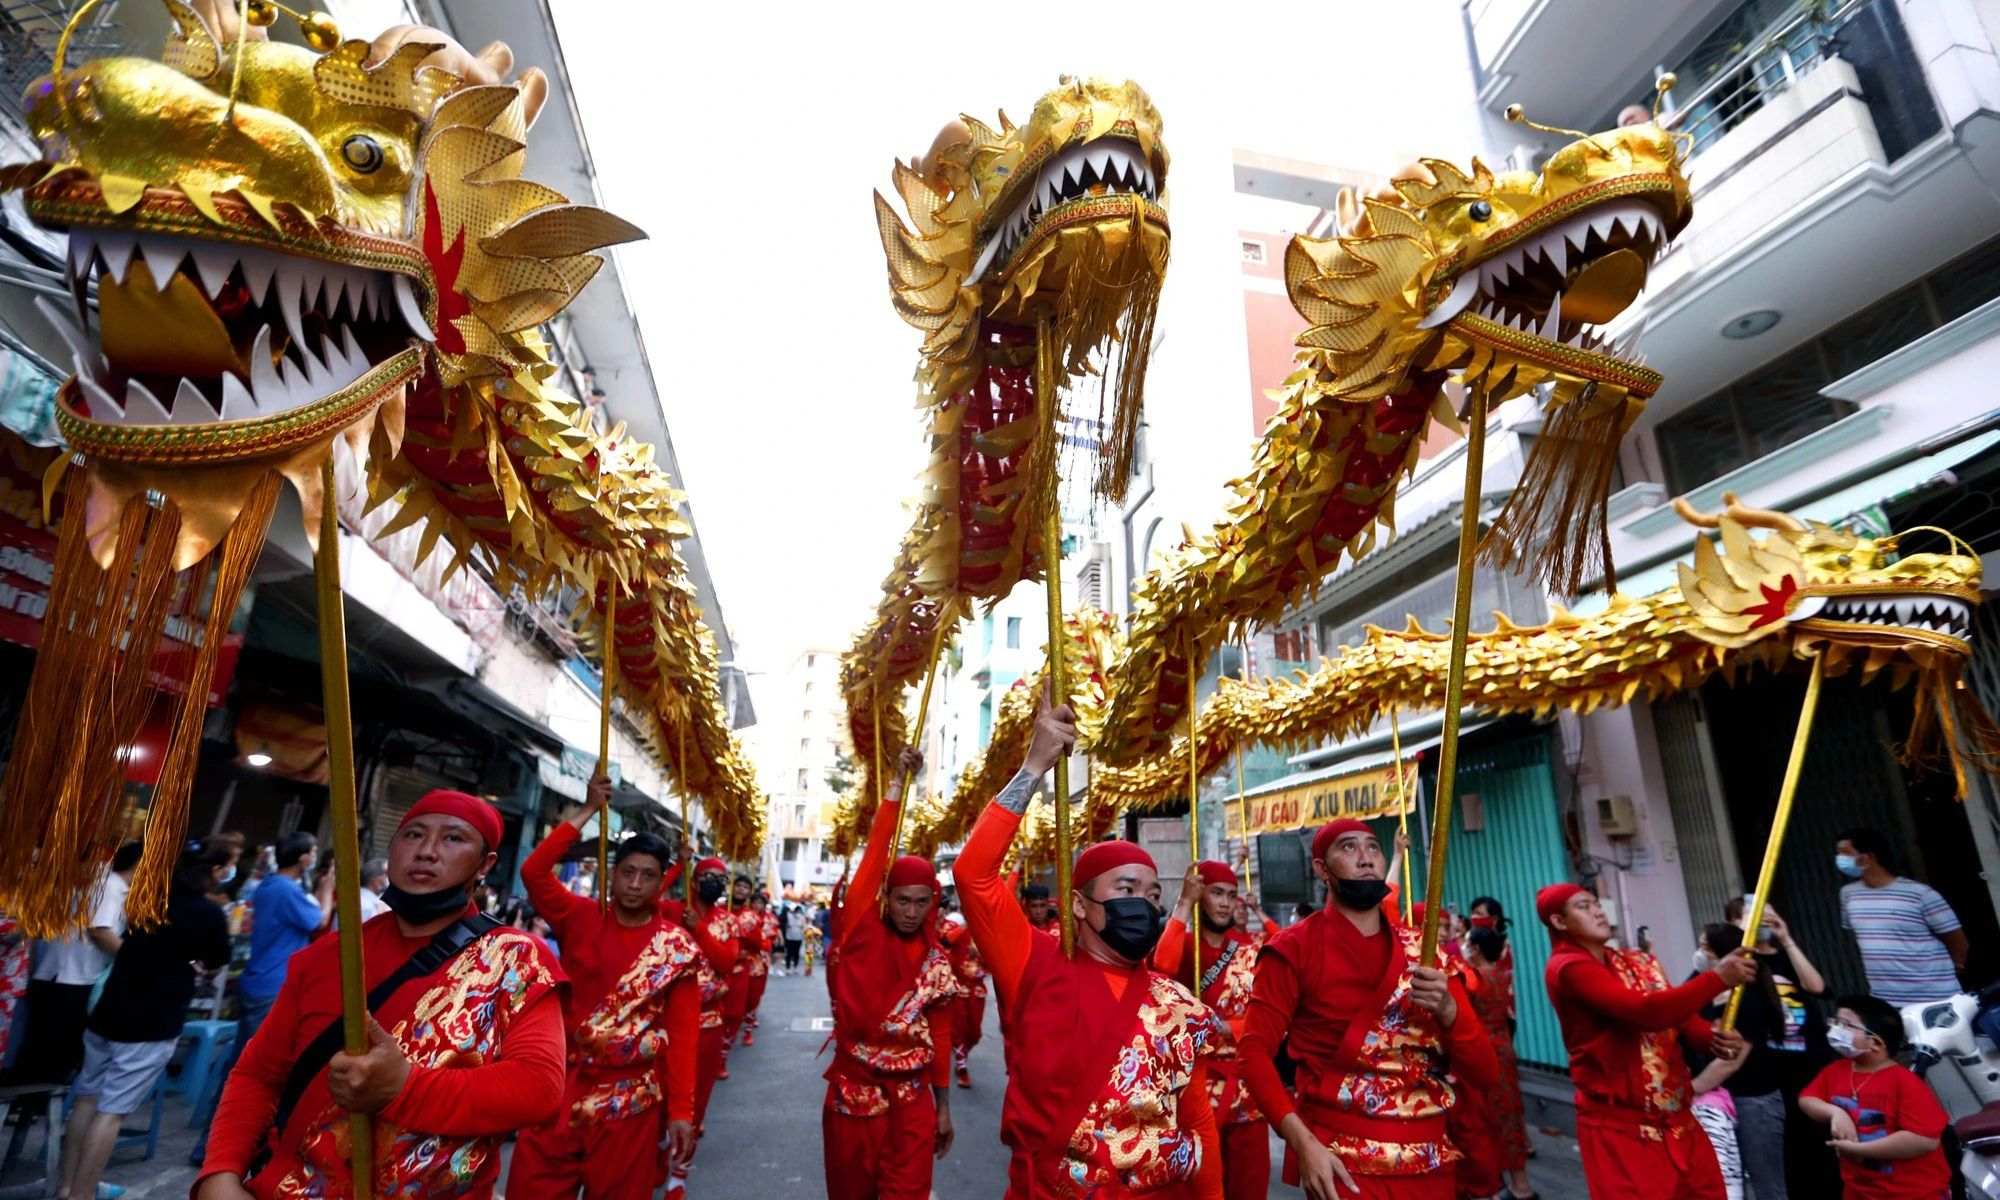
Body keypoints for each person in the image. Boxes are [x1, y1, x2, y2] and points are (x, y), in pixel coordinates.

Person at [194, 791, 567, 1200]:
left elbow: (539, 1087)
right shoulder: (328, 956)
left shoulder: (514, 959)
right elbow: (258, 1075)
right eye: (413, 835)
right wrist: (220, 1173)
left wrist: (404, 1088)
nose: (426, 851)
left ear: (485, 865)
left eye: (453, 838)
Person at [957, 695, 1226, 1197]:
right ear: (1079, 906)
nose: (1142, 903)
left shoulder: (1178, 1005)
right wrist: (1033, 768)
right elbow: (973, 875)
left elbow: (1198, 1126)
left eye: (1152, 894)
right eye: (1125, 889)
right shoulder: (1036, 965)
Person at [1240, 819, 1498, 1200]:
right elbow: (1252, 1053)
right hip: (1341, 1163)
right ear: (1321, 868)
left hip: (1430, 1161)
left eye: (1373, 847)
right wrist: (1302, 1142)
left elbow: (1486, 1073)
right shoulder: (1292, 948)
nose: (1365, 858)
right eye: (1348, 847)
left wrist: (1449, 1012)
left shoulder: (1427, 954)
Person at [507, 777, 700, 1200]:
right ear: (613, 875)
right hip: (559, 1089)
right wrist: (589, 809)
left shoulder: (676, 948)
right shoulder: (578, 916)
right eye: (628, 872)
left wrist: (681, 1111)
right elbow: (533, 871)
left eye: (648, 876)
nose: (635, 884)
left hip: (629, 1105)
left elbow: (684, 1035)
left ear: (661, 883)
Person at [1539, 882, 1757, 1199]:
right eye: (1583, 907)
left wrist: (1710, 1037)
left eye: (1596, 903)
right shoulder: (1568, 967)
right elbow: (1644, 1012)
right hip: (1623, 1129)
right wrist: (1716, 979)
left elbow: (1677, 1015)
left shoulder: (1637, 962)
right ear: (1559, 921)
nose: (1598, 911)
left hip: (1679, 1120)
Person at [822, 746, 959, 1200]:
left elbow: (942, 1037)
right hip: (853, 1100)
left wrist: (942, 1107)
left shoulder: (936, 963)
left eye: (922, 902)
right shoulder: (860, 933)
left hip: (912, 1106)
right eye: (902, 900)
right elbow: (876, 852)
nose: (911, 911)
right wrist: (899, 784)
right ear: (885, 898)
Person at [62, 842, 231, 1200]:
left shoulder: (143, 902)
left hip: (109, 1009)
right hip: (153, 1020)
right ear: (210, 873)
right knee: (112, 1112)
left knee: (86, 1100)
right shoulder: (208, 914)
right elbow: (217, 959)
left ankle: (66, 1187)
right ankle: (82, 1194)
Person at [1154, 860, 1268, 1200]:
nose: (1225, 903)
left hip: (1246, 1091)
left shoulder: (1252, 948)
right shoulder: (1186, 945)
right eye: (1216, 893)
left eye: (1231, 895)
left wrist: (1230, 1027)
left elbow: (1271, 1016)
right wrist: (1184, 903)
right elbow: (1161, 967)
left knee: (1250, 1190)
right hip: (1195, 1091)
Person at [1704, 900, 1827, 1200]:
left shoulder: (1781, 959)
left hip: (1805, 1069)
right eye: (1755, 914)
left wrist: (1786, 939)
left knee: (1813, 1156)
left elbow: (1816, 987)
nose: (1764, 919)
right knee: (1774, 1165)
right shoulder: (1738, 967)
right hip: (1765, 1075)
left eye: (1769, 912)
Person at [1798, 995, 1952, 1200]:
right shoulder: (1837, 1070)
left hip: (1915, 1193)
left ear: (1876, 1043)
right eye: (1835, 1022)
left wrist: (1860, 1150)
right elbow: (1807, 1099)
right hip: (1859, 1192)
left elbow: (1924, 1140)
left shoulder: (1904, 1082)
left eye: (1846, 1025)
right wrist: (1835, 1113)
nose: (1835, 1029)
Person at [15, 841, 139, 1087]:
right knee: (48, 1059)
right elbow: (100, 931)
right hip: (69, 978)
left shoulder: (112, 886)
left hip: (69, 976)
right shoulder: (110, 887)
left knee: (44, 1056)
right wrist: (137, 960)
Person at [657, 851, 740, 1194]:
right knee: (659, 1098)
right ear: (694, 880)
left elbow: (726, 962)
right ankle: (656, 1155)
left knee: (697, 1102)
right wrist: (678, 865)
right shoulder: (672, 911)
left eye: (721, 879)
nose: (715, 884)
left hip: (708, 1024)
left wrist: (699, 930)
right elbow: (649, 895)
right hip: (665, 1023)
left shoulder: (727, 922)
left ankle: (678, 1177)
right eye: (708, 877)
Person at [1834, 828, 1968, 1006]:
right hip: (1886, 1001)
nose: (1840, 859)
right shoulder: (1848, 894)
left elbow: (1957, 940)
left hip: (1936, 997)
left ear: (1868, 857)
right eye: (1838, 854)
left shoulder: (1920, 894)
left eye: (1845, 853)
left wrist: (1956, 967)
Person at [1463, 925, 1535, 1200]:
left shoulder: (1472, 978)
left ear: (1476, 949)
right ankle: (1521, 1182)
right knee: (1511, 1113)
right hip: (1504, 1048)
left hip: (1481, 1052)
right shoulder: (1502, 976)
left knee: (1487, 1117)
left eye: (1468, 943)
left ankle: (1502, 1183)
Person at [1687, 926, 1751, 1200]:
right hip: (1707, 1098)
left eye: (1706, 947)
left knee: (1729, 1180)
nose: (1700, 953)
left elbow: (1731, 1062)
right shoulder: (1700, 984)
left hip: (1737, 1097)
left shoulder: (1745, 997)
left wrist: (1690, 1090)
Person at [940, 912, 987, 1089]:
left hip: (978, 991)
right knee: (958, 1030)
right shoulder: (956, 930)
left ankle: (961, 1055)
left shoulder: (985, 934)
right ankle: (962, 1068)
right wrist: (965, 927)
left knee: (974, 1033)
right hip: (959, 990)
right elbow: (945, 943)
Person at [741, 892, 777, 1044]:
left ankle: (748, 1028)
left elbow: (770, 939)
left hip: (760, 962)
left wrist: (763, 943)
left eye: (760, 903)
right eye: (755, 902)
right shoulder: (743, 916)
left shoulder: (769, 919)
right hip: (742, 961)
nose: (757, 906)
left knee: (755, 995)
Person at [784, 900, 807, 973]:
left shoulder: (801, 917)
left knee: (794, 953)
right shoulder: (789, 915)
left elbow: (804, 927)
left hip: (796, 937)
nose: (798, 913)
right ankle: (789, 967)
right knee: (791, 953)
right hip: (791, 937)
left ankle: (793, 967)